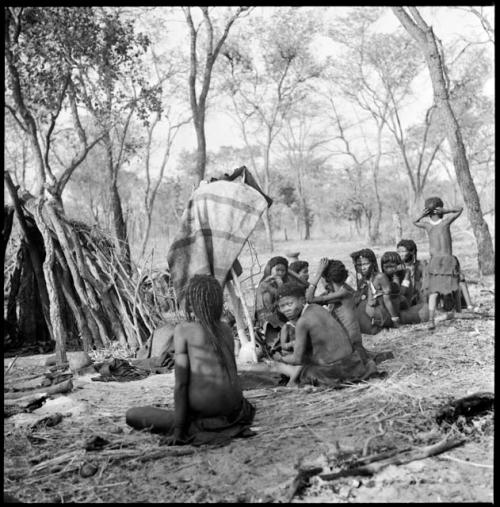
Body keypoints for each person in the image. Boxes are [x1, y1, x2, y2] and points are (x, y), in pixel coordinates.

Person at [126, 274, 255, 446]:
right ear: (218, 302)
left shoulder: (184, 331)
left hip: (203, 417)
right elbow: (232, 375)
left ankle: (188, 427)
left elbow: (181, 385)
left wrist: (179, 430)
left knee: (133, 414)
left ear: (192, 304)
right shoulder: (225, 330)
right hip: (236, 415)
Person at [253, 283, 380, 387]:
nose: (286, 309)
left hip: (336, 371)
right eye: (282, 306)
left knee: (302, 372)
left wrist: (280, 359)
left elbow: (297, 359)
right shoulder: (317, 308)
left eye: (289, 304)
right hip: (353, 364)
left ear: (302, 300)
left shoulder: (303, 322)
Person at [306, 258, 369, 362]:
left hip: (350, 343)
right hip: (346, 340)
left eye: (322, 277)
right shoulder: (339, 291)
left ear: (326, 278)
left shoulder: (343, 293)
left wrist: (318, 273)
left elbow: (309, 299)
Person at [414, 197, 463, 330]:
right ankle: (439, 317)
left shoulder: (438, 223)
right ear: (440, 209)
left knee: (449, 289)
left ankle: (453, 314)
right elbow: (460, 210)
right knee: (447, 289)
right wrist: (447, 210)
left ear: (427, 211)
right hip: (438, 261)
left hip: (445, 260)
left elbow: (415, 221)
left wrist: (423, 215)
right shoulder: (440, 223)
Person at [254, 256, 307, 351]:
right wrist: (281, 284)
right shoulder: (265, 283)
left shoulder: (278, 280)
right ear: (270, 269)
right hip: (266, 316)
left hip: (276, 312)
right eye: (277, 270)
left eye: (283, 271)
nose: (280, 273)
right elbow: (282, 296)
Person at [350, 249, 400, 334]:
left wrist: (395, 320)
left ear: (373, 263)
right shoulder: (361, 280)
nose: (363, 267)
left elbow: (387, 301)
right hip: (367, 315)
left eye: (366, 264)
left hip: (380, 316)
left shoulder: (380, 277)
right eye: (359, 265)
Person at [380, 251, 429, 325]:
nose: (389, 270)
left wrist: (399, 276)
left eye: (392, 266)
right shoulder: (382, 277)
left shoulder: (405, 273)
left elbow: (402, 291)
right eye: (386, 267)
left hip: (404, 304)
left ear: (399, 265)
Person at [396, 239, 428, 306]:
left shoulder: (421, 265)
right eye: (398, 252)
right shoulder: (398, 267)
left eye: (402, 251)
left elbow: (425, 284)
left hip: (420, 298)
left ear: (412, 251)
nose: (400, 254)